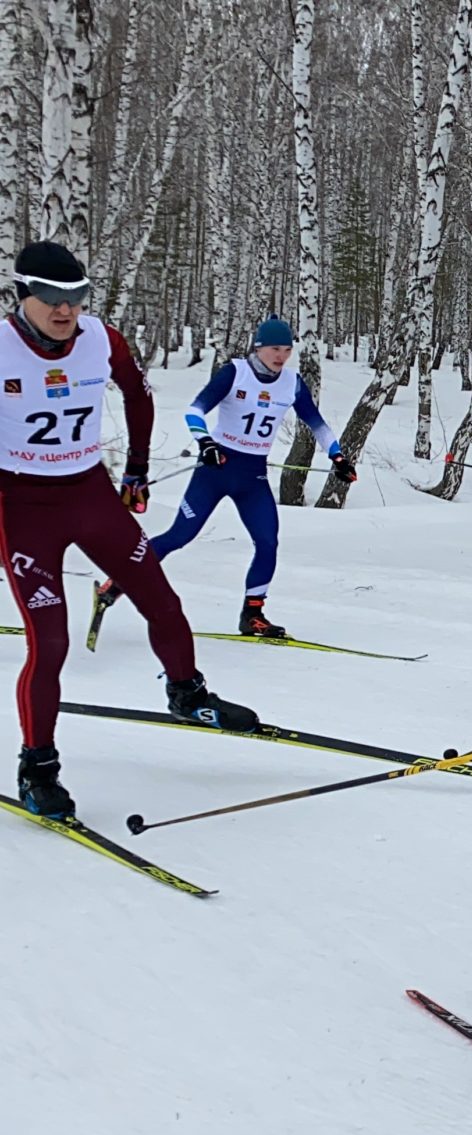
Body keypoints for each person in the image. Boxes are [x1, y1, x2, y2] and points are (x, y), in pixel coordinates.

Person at [0, 240, 259, 819]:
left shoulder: (99, 338)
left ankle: (187, 693)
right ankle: (37, 766)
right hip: (21, 504)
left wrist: (137, 467)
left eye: (76, 297)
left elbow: (139, 396)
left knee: (161, 599)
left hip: (89, 491)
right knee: (52, 642)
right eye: (50, 298)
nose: (65, 311)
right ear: (22, 294)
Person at [94, 315, 355, 638]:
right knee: (179, 536)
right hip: (215, 471)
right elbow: (194, 410)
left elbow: (318, 424)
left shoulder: (292, 383)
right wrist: (204, 442)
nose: (281, 356)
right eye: (274, 349)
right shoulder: (236, 372)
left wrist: (337, 456)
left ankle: (253, 614)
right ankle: (116, 582)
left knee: (268, 542)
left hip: (252, 478)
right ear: (259, 348)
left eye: (287, 350)